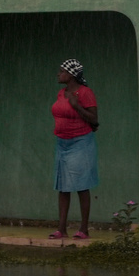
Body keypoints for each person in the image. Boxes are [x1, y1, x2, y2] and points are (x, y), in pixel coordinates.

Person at [48, 59, 99, 240]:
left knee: (81, 185)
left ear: (71, 75)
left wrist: (76, 105)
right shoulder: (61, 93)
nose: (58, 74)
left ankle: (83, 229)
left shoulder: (85, 93)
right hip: (62, 143)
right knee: (63, 187)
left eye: (62, 71)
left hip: (80, 143)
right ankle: (61, 229)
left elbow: (94, 119)